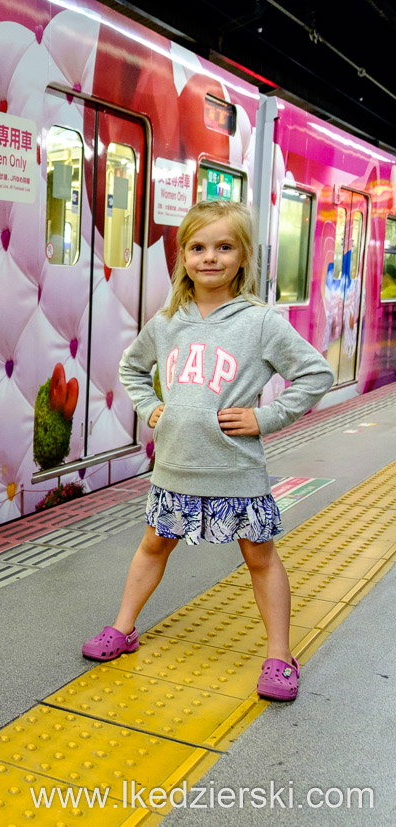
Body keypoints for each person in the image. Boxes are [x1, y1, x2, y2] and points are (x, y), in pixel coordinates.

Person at [81, 200, 333, 703]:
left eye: (224, 247)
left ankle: (280, 656)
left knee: (259, 557)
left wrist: (266, 418)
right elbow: (132, 368)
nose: (210, 258)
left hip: (235, 468)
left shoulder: (261, 322)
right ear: (184, 257)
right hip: (174, 466)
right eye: (198, 247)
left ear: (243, 258)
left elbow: (316, 373)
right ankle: (123, 628)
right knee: (153, 545)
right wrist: (151, 406)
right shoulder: (168, 320)